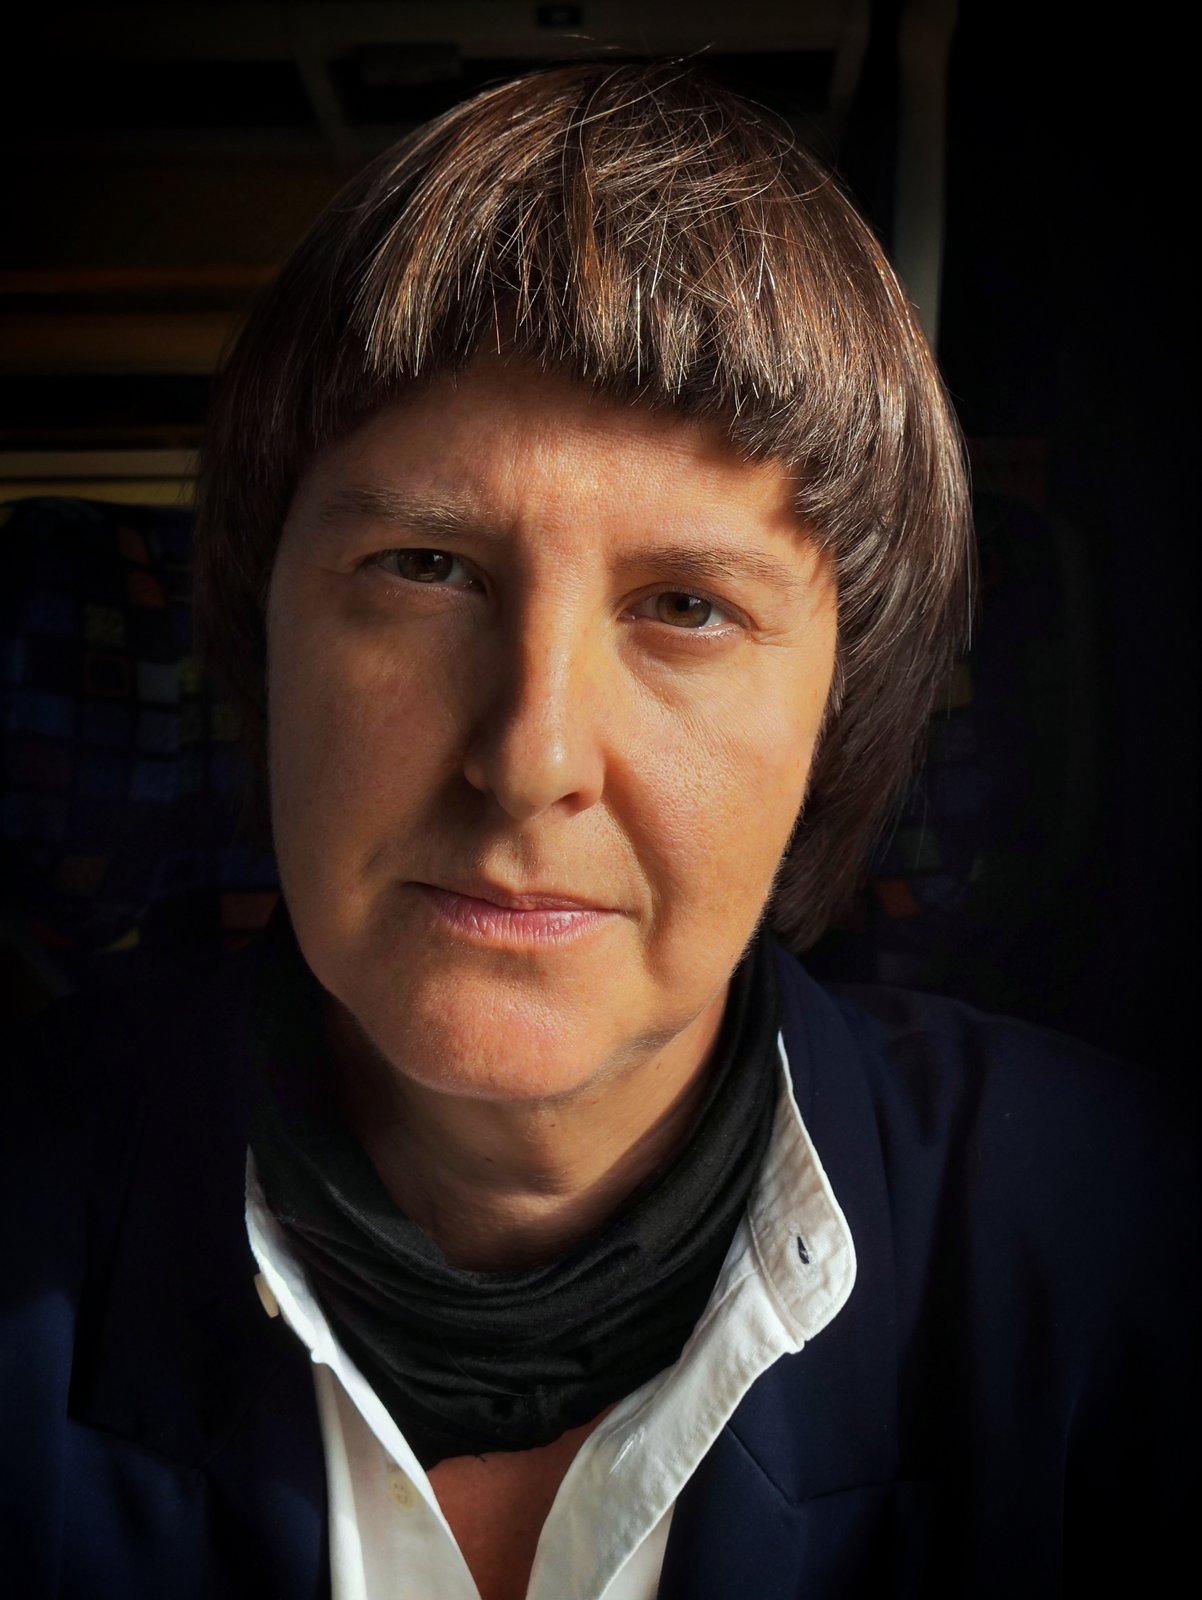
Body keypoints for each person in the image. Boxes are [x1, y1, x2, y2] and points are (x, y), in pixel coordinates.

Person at [2, 62, 1194, 1600]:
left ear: (837, 718)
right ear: (264, 640)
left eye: (684, 606)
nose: (530, 760)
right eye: (423, 568)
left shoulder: (1123, 1244)